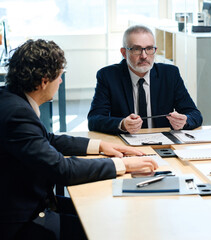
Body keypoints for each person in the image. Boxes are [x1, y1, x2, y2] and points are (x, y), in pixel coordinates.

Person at [0, 39, 158, 240]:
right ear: (44, 81)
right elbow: (62, 170)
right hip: (20, 220)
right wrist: (122, 165)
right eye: (59, 76)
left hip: (29, 202)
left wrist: (100, 145)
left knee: (104, 212)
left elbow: (47, 139)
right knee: (109, 227)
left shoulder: (12, 99)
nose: (61, 82)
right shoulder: (16, 114)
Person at [87, 25, 203, 135]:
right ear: (124, 53)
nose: (144, 56)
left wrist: (185, 121)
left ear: (155, 50)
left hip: (163, 144)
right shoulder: (108, 76)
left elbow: (195, 114)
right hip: (125, 145)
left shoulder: (170, 74)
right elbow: (94, 119)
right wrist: (122, 124)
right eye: (137, 49)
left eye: (149, 49)